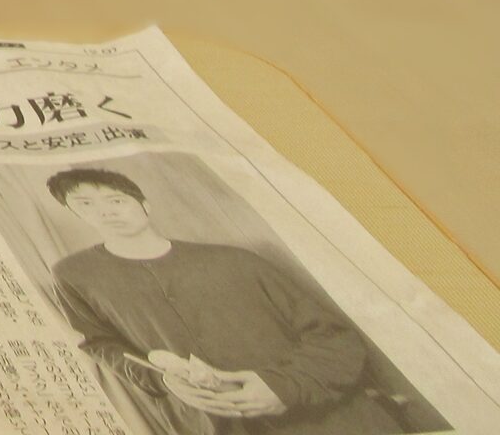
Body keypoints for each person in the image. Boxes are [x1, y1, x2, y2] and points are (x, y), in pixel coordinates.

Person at [47, 167, 403, 434]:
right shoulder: (74, 274)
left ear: (145, 206)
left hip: (330, 421)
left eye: (116, 200)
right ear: (74, 214)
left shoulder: (235, 260)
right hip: (213, 425)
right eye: (85, 204)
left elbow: (336, 338)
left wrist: (282, 387)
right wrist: (161, 378)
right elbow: (99, 343)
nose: (106, 211)